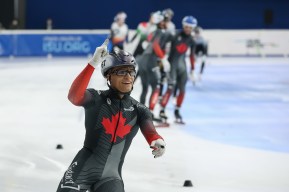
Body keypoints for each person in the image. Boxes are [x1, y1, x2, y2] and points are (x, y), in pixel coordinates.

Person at [56, 39, 166, 192]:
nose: (128, 76)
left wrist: (157, 140)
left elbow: (151, 132)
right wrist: (92, 63)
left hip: (111, 177)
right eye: (121, 72)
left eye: (131, 71)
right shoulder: (95, 98)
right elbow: (74, 96)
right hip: (83, 171)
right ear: (108, 76)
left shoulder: (139, 109)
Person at [159, 16, 197, 124]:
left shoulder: (192, 39)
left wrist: (193, 69)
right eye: (186, 26)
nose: (188, 29)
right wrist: (162, 58)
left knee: (182, 90)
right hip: (172, 65)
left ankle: (177, 111)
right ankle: (162, 110)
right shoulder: (175, 34)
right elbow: (162, 43)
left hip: (182, 66)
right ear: (183, 25)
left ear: (193, 28)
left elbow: (192, 56)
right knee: (170, 88)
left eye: (190, 27)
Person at [136, 11, 173, 119]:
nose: (167, 23)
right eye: (165, 21)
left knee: (145, 88)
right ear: (161, 22)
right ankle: (150, 113)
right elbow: (156, 45)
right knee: (156, 86)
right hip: (150, 59)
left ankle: (141, 112)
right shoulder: (160, 32)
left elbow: (145, 43)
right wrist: (163, 59)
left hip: (142, 60)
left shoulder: (153, 31)